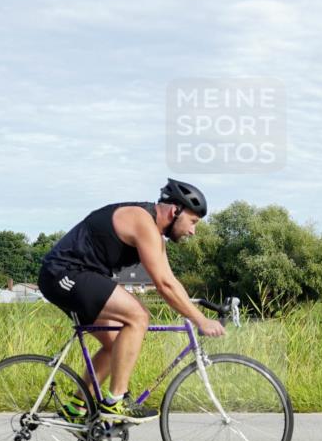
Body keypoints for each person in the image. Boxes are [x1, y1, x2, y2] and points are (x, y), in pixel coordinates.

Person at [38, 178, 226, 423]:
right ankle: (116, 401)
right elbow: (163, 286)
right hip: (63, 274)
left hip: (82, 276)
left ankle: (77, 408)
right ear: (174, 210)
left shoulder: (154, 234)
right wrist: (200, 320)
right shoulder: (142, 222)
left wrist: (193, 305)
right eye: (193, 222)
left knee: (116, 344)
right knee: (138, 316)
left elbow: (170, 280)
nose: (193, 231)